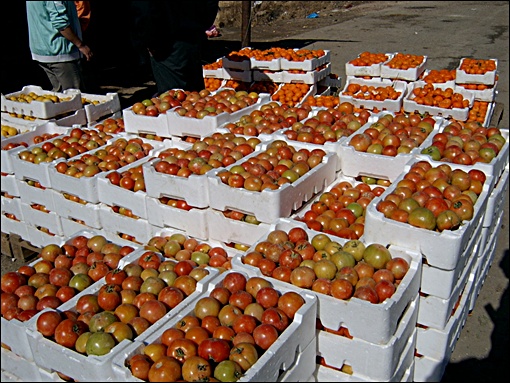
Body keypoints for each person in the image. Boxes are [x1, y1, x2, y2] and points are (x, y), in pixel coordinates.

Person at [130, 1, 220, 95]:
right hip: (191, 36)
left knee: (175, 98)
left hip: (166, 42)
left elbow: (144, 10)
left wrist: (146, 40)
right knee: (194, 96)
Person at [26, 1, 93, 92]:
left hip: (42, 50)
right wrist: (80, 45)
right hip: (59, 52)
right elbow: (60, 22)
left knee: (59, 95)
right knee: (73, 96)